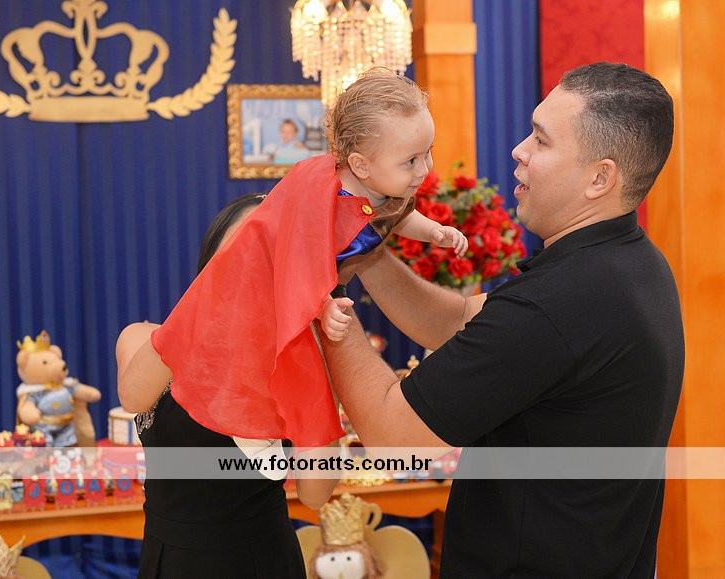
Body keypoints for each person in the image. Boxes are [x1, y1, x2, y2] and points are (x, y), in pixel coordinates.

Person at [316, 62, 683, 577]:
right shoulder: (632, 262)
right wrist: (364, 253)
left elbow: (391, 437)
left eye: (541, 140)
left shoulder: (561, 303)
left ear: (600, 178)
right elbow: (460, 321)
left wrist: (322, 293)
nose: (519, 150)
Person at [149, 68, 468, 450]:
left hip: (306, 290)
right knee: (251, 368)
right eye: (411, 161)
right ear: (361, 165)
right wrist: (322, 305)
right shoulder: (321, 198)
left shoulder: (381, 186)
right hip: (263, 290)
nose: (425, 169)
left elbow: (397, 216)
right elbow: (295, 263)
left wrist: (434, 231)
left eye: (427, 152)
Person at [117, 194, 338, 578]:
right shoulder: (142, 337)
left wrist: (314, 362)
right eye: (244, 246)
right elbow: (133, 396)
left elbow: (315, 494)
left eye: (270, 253)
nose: (251, 265)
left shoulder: (292, 363)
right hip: (171, 560)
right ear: (211, 257)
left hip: (264, 560)